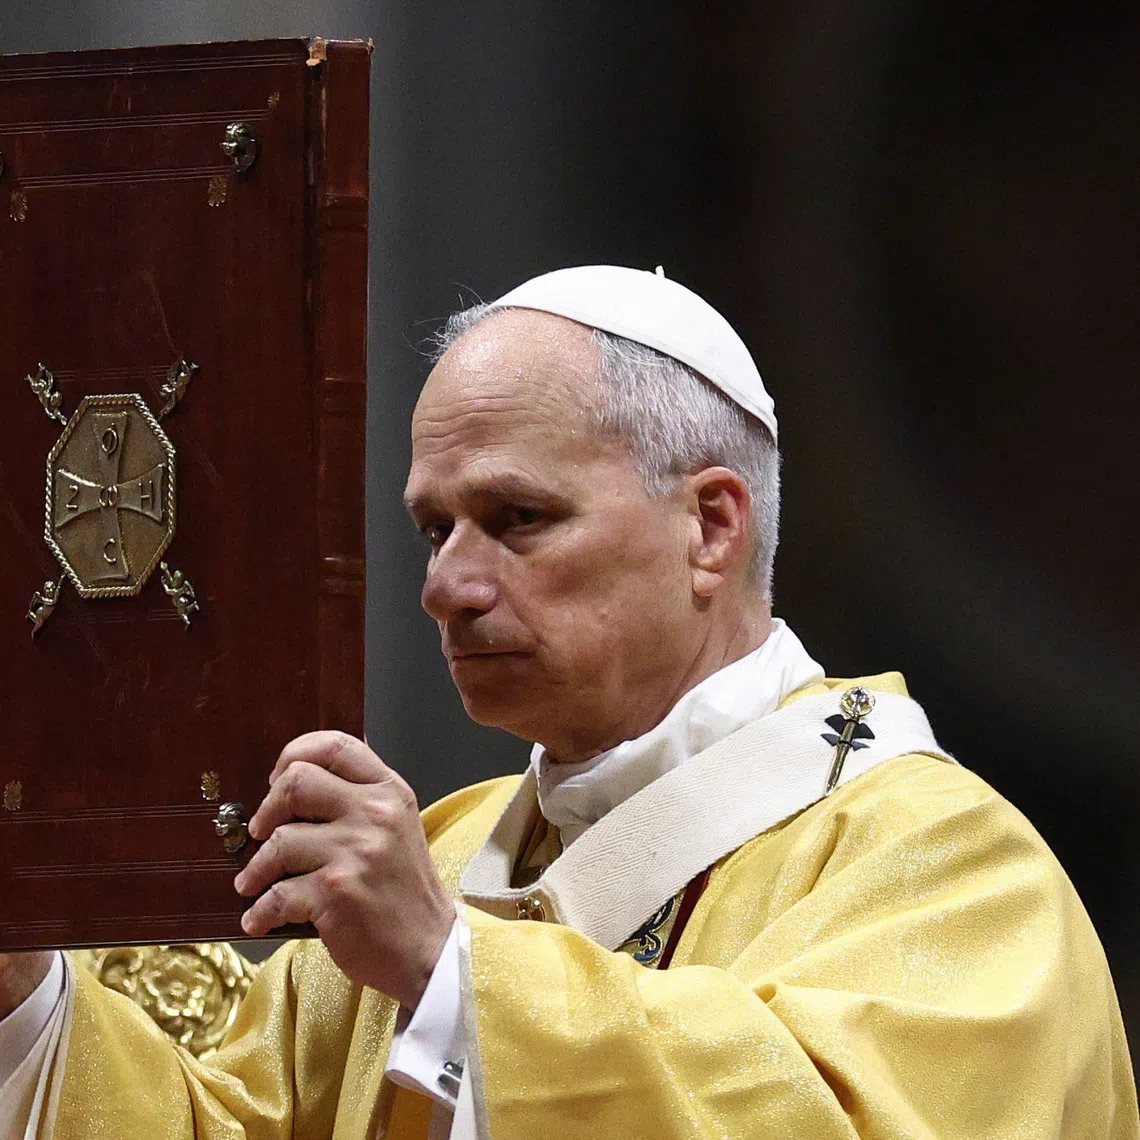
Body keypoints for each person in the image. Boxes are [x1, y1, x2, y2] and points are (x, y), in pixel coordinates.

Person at [0, 265, 1136, 1139]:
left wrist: (451, 967)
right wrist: (22, 995)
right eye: (433, 527)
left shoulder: (951, 871)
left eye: (519, 518)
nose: (447, 583)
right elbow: (222, 1120)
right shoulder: (441, 857)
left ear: (710, 527)